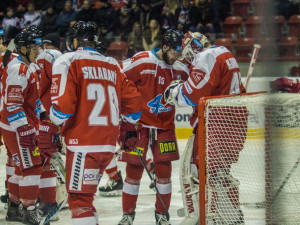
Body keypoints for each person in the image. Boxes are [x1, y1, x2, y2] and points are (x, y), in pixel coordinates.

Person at [37, 21, 143, 225]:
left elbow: (62, 108)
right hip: (107, 146)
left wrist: (52, 126)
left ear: (75, 40)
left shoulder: (68, 60)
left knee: (79, 202)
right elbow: (135, 109)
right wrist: (128, 126)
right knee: (87, 201)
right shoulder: (112, 64)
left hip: (82, 145)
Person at [164, 31, 248, 224]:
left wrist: (174, 92)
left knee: (196, 172)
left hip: (216, 124)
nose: (187, 60)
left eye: (187, 53)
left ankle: (202, 217)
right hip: (235, 123)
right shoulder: (225, 52)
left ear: (193, 47)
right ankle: (232, 215)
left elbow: (194, 92)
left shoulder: (206, 56)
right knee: (221, 173)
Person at [117, 29, 189, 225]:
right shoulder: (142, 61)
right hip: (138, 125)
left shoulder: (181, 67)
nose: (177, 57)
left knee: (164, 173)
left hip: (165, 127)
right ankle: (128, 216)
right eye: (175, 52)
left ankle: (162, 216)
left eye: (180, 53)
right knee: (133, 172)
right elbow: (117, 77)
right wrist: (123, 113)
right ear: (165, 47)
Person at [0, 29, 48, 225]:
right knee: (31, 168)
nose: (38, 50)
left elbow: (32, 99)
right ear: (22, 49)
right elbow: (13, 104)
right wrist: (25, 128)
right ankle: (29, 211)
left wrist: (44, 114)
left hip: (17, 125)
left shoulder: (29, 67)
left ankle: (14, 207)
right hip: (17, 127)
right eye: (33, 47)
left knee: (18, 166)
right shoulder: (18, 69)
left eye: (39, 46)